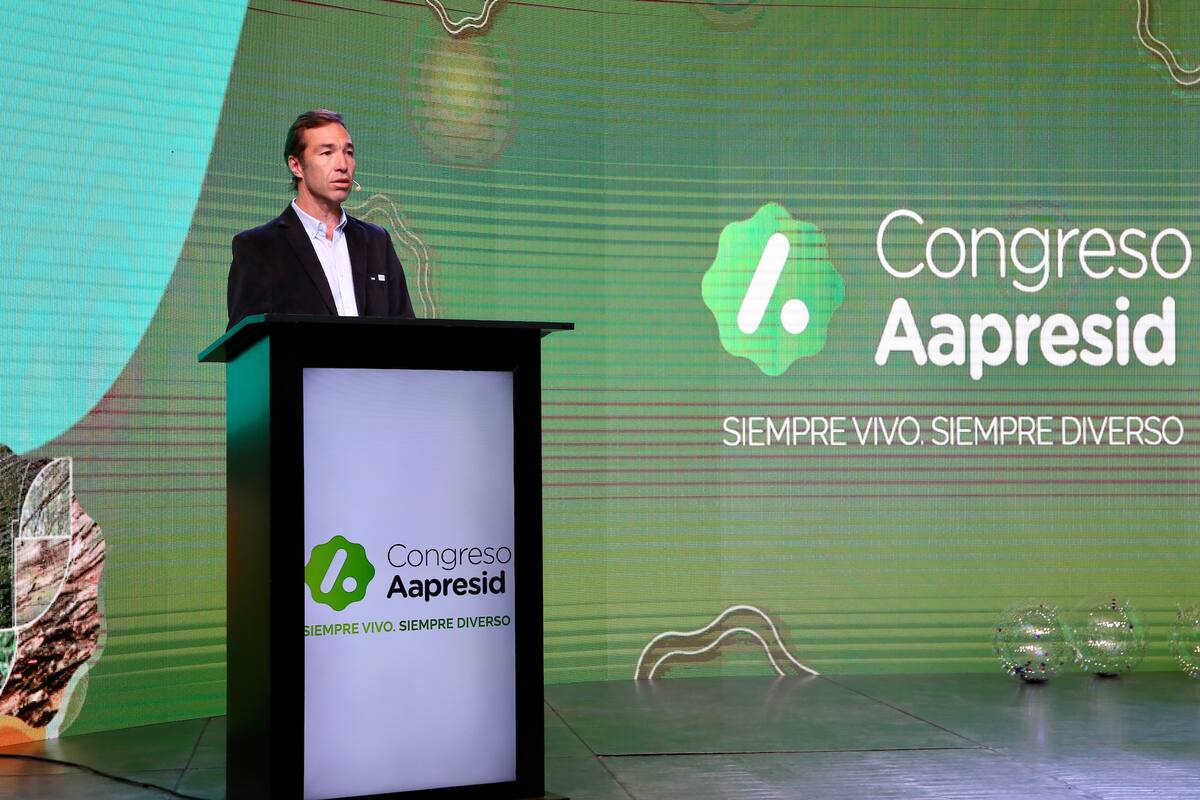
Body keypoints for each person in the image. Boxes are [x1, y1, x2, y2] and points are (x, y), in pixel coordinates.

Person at [226, 109, 414, 328]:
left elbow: (405, 329)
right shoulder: (259, 247)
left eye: (349, 153)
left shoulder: (376, 241)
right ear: (296, 166)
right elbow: (248, 344)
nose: (343, 165)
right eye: (327, 153)